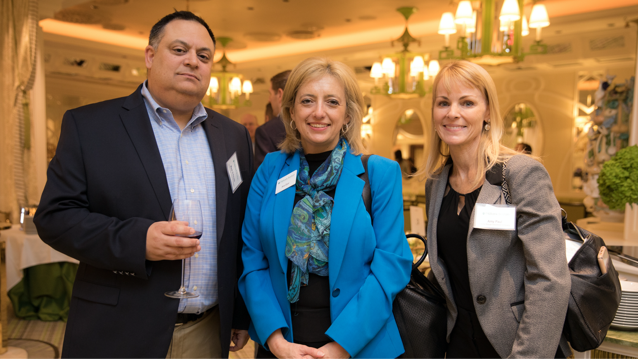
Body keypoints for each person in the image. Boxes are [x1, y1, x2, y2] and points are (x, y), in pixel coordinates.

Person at [34, 11, 251, 359]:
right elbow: (54, 218)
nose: (192, 62)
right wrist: (138, 241)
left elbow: (240, 228)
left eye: (203, 55)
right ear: (150, 56)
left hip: (207, 332)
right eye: (179, 49)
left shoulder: (234, 136)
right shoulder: (91, 126)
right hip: (119, 329)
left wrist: (239, 311)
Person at [239, 57, 412, 359]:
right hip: (282, 345)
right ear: (292, 111)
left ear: (347, 114)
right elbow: (253, 257)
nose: (319, 112)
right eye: (307, 101)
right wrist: (276, 340)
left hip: (361, 345)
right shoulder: (271, 169)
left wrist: (341, 347)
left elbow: (391, 266)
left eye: (332, 102)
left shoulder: (380, 174)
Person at [422, 60, 571, 359]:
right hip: (460, 344)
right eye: (443, 103)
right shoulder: (436, 183)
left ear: (488, 111)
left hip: (517, 344)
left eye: (467, 102)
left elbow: (550, 279)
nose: (453, 113)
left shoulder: (521, 174)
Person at [254, 70, 291, 170]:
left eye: (270, 94)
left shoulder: (266, 131)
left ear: (280, 94)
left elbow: (263, 175)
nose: (269, 99)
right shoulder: (308, 124)